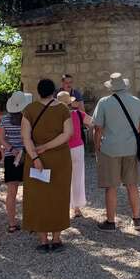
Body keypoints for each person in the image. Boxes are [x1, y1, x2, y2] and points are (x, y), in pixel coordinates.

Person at [21, 79, 73, 251]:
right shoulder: (63, 109)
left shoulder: (29, 110)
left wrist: (35, 156)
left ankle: (43, 240)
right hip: (59, 159)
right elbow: (67, 134)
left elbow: (26, 137)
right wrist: (47, 146)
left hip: (36, 160)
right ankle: (56, 238)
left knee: (39, 198)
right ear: (53, 91)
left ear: (38, 91)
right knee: (59, 196)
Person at [92, 72, 140, 232]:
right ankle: (136, 219)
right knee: (132, 185)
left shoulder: (104, 102)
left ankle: (111, 221)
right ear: (125, 85)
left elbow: (98, 128)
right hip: (131, 149)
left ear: (111, 87)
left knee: (111, 186)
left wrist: (97, 147)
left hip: (110, 149)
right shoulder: (136, 102)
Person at [0, 91, 31, 233]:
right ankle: (31, 221)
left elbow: (1, 138)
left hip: (11, 156)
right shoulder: (27, 119)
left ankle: (11, 223)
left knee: (11, 192)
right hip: (27, 155)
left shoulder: (4, 120)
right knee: (30, 191)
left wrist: (10, 148)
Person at [57, 90, 93, 218]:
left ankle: (62, 206)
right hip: (77, 147)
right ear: (70, 103)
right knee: (78, 177)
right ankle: (76, 208)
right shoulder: (78, 113)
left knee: (62, 178)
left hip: (62, 148)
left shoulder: (55, 116)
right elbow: (92, 122)